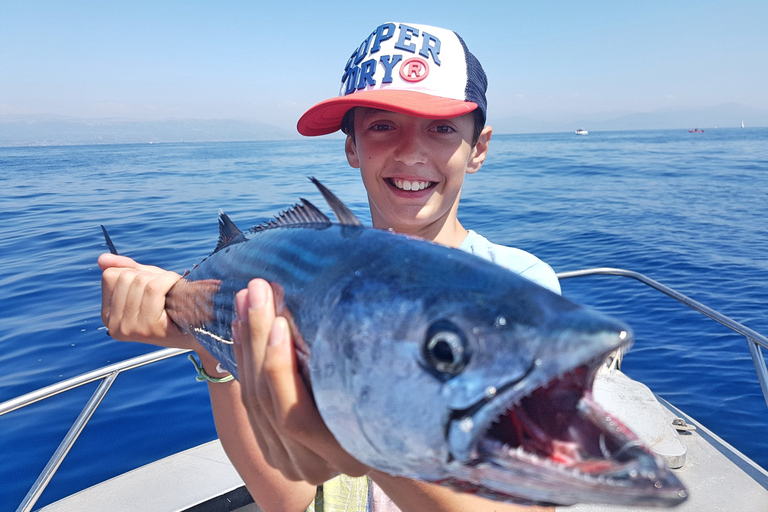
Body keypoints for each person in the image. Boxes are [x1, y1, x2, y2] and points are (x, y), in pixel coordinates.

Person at [99, 22, 558, 512]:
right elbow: (287, 498)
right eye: (382, 125)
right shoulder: (296, 275)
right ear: (352, 147)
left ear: (479, 148)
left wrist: (359, 435)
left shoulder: (523, 291)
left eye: (442, 127)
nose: (411, 150)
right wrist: (215, 348)